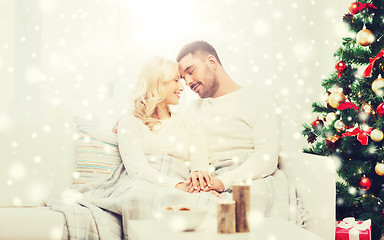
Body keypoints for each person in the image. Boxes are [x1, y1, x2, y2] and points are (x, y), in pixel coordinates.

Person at [175, 41, 302, 222]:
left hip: (250, 176)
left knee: (238, 215)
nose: (187, 82)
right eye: (182, 77)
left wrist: (222, 183)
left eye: (190, 71)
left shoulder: (259, 98)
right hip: (209, 179)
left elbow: (266, 157)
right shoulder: (191, 110)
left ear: (212, 62)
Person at [117, 56, 216, 193]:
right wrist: (177, 185)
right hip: (145, 186)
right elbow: (137, 170)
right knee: (138, 194)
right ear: (157, 82)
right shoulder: (130, 123)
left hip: (185, 187)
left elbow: (199, 165)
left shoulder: (190, 123)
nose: (182, 87)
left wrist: (198, 178)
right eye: (176, 80)